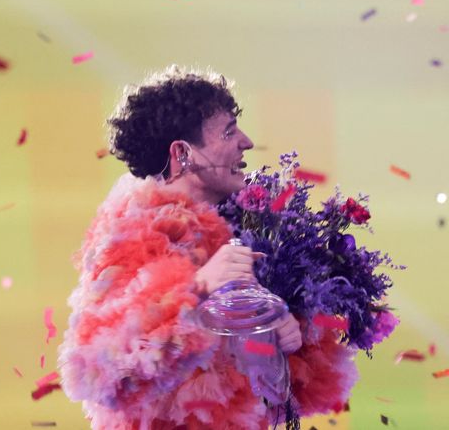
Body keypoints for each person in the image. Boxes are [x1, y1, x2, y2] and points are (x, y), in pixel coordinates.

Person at [58, 66, 357, 429]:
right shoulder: (132, 234)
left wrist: (284, 330)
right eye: (228, 131)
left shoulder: (240, 231)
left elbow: (258, 389)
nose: (246, 142)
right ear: (182, 153)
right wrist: (197, 287)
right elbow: (95, 373)